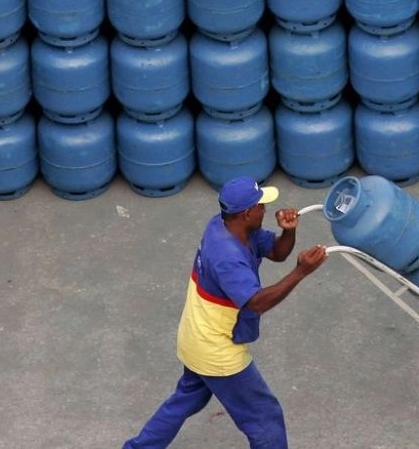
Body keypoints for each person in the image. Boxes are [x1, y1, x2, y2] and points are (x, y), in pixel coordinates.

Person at [123, 176, 329, 449]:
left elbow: (277, 253)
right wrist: (301, 271)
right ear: (246, 213)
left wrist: (288, 231)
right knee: (265, 418)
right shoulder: (227, 256)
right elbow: (256, 302)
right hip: (216, 349)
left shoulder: (226, 225)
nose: (265, 209)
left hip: (195, 337)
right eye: (260, 206)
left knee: (187, 398)